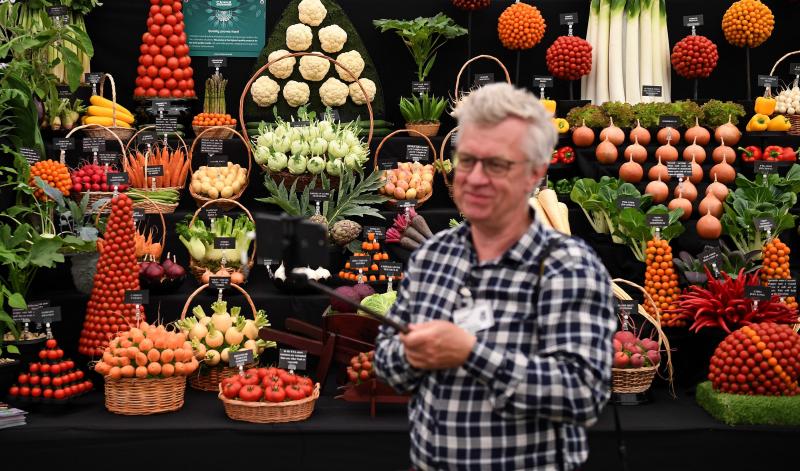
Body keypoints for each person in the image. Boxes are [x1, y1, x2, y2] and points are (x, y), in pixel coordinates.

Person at [374, 83, 616, 471]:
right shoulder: (433, 256)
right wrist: (409, 355)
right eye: (467, 161)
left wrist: (472, 354)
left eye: (497, 164)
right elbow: (387, 362)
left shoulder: (568, 267)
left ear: (535, 174)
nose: (475, 178)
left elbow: (582, 394)